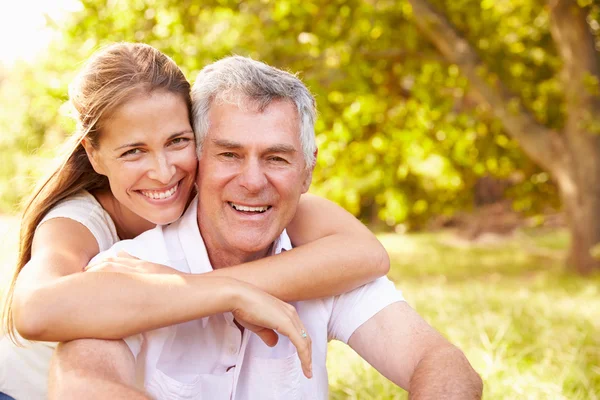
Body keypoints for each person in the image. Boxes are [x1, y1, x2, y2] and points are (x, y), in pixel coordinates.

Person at [49, 55, 483, 399]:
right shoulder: (128, 270)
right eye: (229, 155)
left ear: (308, 172)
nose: (253, 181)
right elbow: (84, 387)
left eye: (276, 158)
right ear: (197, 163)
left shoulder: (325, 265)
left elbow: (440, 361)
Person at [0, 43, 391, 400]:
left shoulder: (221, 194)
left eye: (177, 141)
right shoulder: (76, 222)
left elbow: (365, 253)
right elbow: (34, 311)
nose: (163, 172)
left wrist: (198, 285)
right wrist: (227, 294)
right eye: (134, 151)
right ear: (96, 154)